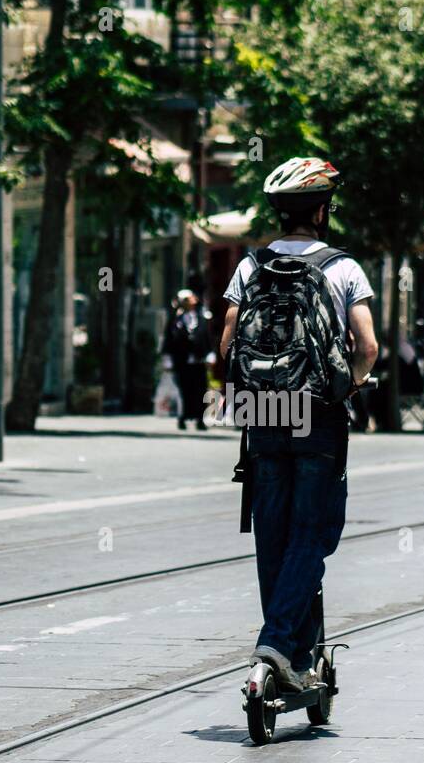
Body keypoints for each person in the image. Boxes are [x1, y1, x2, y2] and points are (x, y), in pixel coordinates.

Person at [219, 156, 378, 692]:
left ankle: (295, 658)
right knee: (311, 535)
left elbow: (227, 343)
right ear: (319, 208)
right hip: (317, 413)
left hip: (261, 413)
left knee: (273, 535)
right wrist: (350, 384)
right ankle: (276, 643)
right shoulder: (342, 267)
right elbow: (368, 347)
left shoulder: (250, 265)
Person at [161, 288, 212, 430]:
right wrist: (167, 359)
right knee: (184, 390)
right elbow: (169, 340)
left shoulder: (201, 318)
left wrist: (209, 354)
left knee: (200, 390)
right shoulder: (175, 319)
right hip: (182, 361)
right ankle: (183, 416)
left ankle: (200, 419)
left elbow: (206, 337)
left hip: (198, 360)